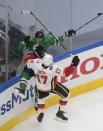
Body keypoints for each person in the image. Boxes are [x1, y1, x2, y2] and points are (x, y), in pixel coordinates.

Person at [15, 53, 80, 122]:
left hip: (40, 87)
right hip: (51, 87)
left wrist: (33, 55)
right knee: (66, 94)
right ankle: (60, 113)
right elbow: (66, 73)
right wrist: (73, 65)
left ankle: (41, 113)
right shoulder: (54, 68)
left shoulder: (36, 62)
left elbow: (28, 62)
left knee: (40, 100)